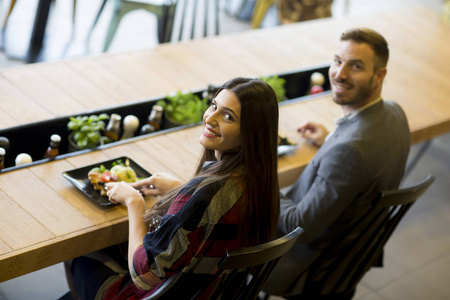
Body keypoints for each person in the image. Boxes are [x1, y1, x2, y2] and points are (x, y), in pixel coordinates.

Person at [66, 77, 280, 299]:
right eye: (214, 106)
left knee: (78, 250)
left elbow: (143, 273)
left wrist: (133, 201)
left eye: (228, 117)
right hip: (208, 291)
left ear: (251, 132)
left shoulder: (206, 192)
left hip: (151, 294)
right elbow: (212, 212)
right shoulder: (258, 181)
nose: (210, 118)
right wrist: (182, 190)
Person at [262, 28, 411, 299]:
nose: (339, 74)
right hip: (352, 255)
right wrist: (330, 140)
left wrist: (260, 179)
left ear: (380, 75)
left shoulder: (349, 151)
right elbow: (359, 158)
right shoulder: (395, 112)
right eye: (337, 61)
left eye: (355, 66)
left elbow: (300, 226)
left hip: (309, 266)